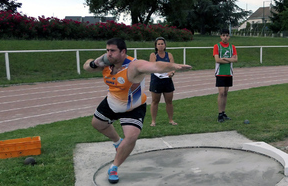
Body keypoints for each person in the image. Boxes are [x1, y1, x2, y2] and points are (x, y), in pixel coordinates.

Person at [83, 38, 192, 183]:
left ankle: (114, 167)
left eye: (113, 51)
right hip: (112, 101)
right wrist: (94, 62)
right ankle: (117, 142)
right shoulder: (107, 63)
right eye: (107, 50)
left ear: (123, 52)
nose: (109, 54)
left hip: (133, 106)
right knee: (97, 124)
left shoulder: (133, 66)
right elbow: (86, 67)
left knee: (132, 136)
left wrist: (174, 66)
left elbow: (155, 66)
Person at [149, 37, 177, 127]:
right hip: (156, 80)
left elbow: (173, 67)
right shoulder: (153, 55)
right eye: (159, 44)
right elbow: (153, 67)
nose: (160, 46)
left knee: (169, 101)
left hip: (167, 80)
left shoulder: (169, 55)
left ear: (165, 45)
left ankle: (171, 120)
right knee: (155, 101)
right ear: (156, 46)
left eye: (162, 44)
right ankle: (153, 121)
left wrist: (172, 73)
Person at [213, 29, 238, 123]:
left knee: (226, 93)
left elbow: (235, 60)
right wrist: (229, 59)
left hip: (229, 72)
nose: (225, 37)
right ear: (220, 36)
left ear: (229, 36)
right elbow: (217, 60)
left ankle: (223, 112)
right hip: (220, 72)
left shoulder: (232, 47)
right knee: (221, 92)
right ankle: (219, 114)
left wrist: (224, 58)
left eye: (227, 35)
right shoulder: (217, 46)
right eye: (223, 35)